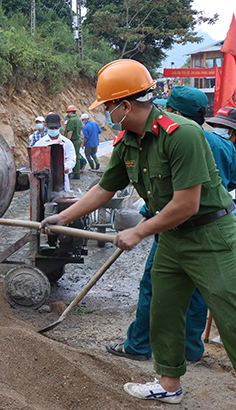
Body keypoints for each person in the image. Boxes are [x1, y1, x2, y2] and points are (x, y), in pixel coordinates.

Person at [41, 59, 236, 405]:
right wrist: (64, 217)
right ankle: (169, 384)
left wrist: (139, 232)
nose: (105, 113)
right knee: (163, 309)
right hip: (173, 239)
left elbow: (187, 204)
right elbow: (104, 188)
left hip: (211, 237)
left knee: (230, 313)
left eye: (107, 106)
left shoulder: (182, 135)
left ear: (125, 105)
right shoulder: (128, 141)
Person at [106, 86, 236, 364]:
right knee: (200, 294)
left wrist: (143, 223)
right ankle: (190, 351)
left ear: (175, 112)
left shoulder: (175, 137)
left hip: (178, 227)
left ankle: (139, 344)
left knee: (157, 291)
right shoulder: (225, 146)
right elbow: (227, 187)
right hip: (204, 226)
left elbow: (177, 193)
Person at [34, 113, 76, 191]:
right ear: (45, 126)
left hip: (62, 178)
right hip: (45, 179)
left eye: (55, 128)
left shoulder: (67, 142)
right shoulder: (40, 143)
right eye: (51, 128)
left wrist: (66, 167)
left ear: (59, 127)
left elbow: (71, 159)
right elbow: (36, 161)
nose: (53, 130)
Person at [65, 105, 83, 179]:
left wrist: (67, 142)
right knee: (77, 157)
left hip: (73, 141)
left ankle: (69, 173)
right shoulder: (78, 120)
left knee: (70, 157)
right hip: (78, 140)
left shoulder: (72, 120)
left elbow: (70, 132)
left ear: (70, 113)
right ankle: (77, 173)